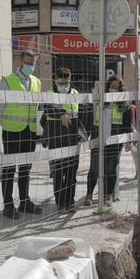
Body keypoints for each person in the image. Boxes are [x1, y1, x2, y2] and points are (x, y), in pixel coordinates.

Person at [0, 51, 43, 219]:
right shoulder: (8, 80)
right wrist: (6, 124)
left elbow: (37, 107)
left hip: (29, 131)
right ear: (21, 61)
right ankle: (8, 205)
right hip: (12, 130)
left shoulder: (37, 81)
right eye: (28, 62)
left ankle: (25, 201)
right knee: (9, 169)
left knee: (25, 169)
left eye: (34, 63)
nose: (31, 66)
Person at [84, 76, 132, 206]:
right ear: (107, 87)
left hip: (115, 141)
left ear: (120, 89)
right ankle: (89, 195)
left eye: (116, 87)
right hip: (97, 139)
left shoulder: (125, 105)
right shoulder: (99, 101)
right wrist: (84, 137)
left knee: (111, 169)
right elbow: (90, 120)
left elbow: (128, 125)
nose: (113, 89)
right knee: (94, 168)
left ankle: (108, 196)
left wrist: (129, 140)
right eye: (112, 86)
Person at [41, 67, 83, 214]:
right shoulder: (49, 94)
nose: (65, 86)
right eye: (61, 83)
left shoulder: (75, 94)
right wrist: (62, 113)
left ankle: (70, 202)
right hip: (56, 140)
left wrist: (83, 134)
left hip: (72, 141)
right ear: (55, 81)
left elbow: (81, 114)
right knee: (59, 174)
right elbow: (47, 109)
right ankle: (60, 204)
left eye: (67, 83)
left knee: (71, 174)